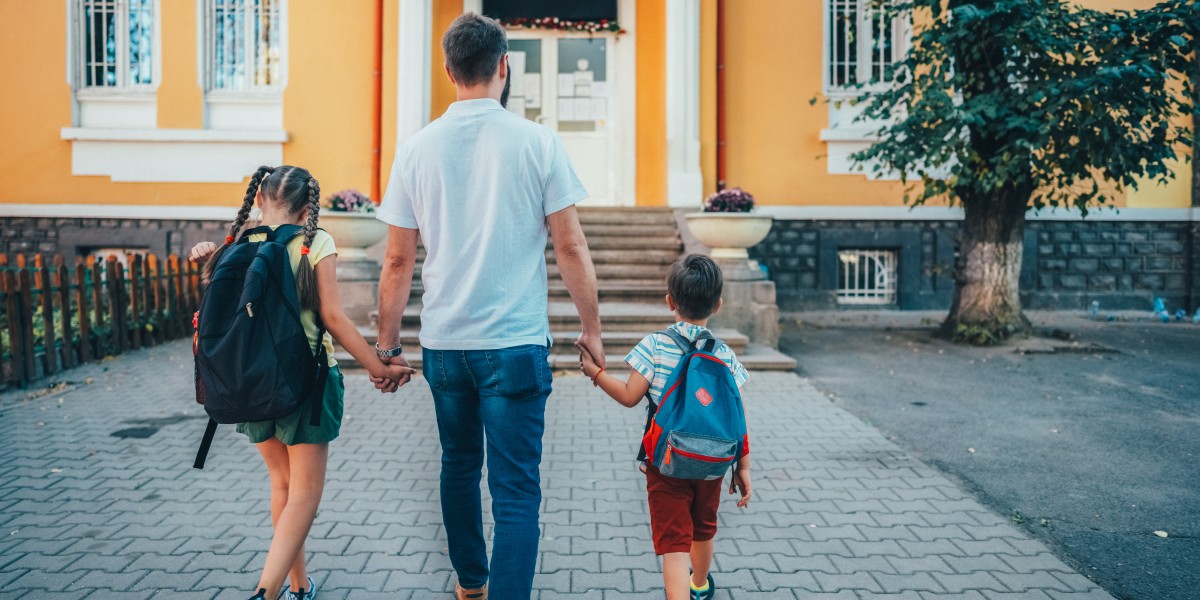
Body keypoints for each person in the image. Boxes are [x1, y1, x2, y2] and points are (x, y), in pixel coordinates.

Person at [371, 13, 603, 600]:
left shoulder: (416, 150)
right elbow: (570, 244)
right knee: (517, 490)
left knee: (457, 467)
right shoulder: (538, 142)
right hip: (516, 343)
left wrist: (388, 346)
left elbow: (397, 262)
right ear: (505, 67)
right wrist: (591, 328)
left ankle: (471, 584)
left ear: (449, 71)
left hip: (447, 344)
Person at [190, 165, 412, 600]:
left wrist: (208, 256)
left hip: (248, 382)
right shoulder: (315, 242)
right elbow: (332, 317)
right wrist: (378, 365)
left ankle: (299, 585)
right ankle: (266, 592)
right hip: (306, 383)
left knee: (282, 485)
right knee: (305, 493)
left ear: (258, 200)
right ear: (309, 206)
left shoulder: (241, 242)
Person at [579, 254, 752, 600]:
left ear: (670, 301)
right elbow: (736, 414)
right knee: (703, 529)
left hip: (666, 461)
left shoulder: (655, 346)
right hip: (712, 463)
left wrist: (596, 374)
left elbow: (630, 396)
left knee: (674, 542)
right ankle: (700, 586)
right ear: (718, 305)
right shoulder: (725, 354)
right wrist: (743, 466)